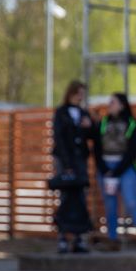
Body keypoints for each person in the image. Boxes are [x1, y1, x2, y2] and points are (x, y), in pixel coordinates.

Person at [93, 93, 136, 251]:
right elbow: (96, 148)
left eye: (113, 102)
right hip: (105, 168)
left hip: (126, 168)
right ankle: (113, 239)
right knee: (110, 206)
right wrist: (105, 169)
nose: (109, 105)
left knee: (132, 203)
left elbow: (132, 151)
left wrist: (117, 170)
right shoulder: (103, 122)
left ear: (122, 105)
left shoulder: (132, 123)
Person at [52, 80, 94, 254]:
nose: (81, 97)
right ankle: (62, 237)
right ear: (71, 93)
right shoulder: (61, 113)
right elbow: (59, 139)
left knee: (80, 199)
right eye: (78, 93)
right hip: (65, 160)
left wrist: (89, 127)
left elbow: (92, 137)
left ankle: (79, 239)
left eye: (83, 94)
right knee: (66, 198)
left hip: (80, 161)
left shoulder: (84, 114)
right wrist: (67, 164)